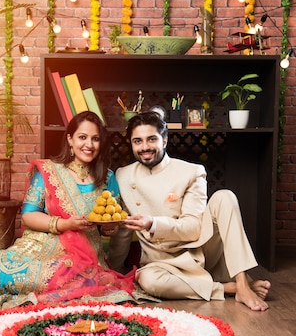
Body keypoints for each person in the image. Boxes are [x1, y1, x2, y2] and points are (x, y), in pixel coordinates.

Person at [0, 111, 154, 312]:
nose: (88, 145)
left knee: (83, 282)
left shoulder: (107, 178)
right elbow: (28, 216)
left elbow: (108, 224)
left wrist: (112, 227)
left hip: (84, 256)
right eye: (82, 137)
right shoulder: (49, 172)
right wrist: (64, 224)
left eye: (95, 139)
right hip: (39, 244)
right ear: (70, 139)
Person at [107, 111, 271, 311]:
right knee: (148, 282)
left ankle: (243, 285)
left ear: (165, 140)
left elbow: (194, 227)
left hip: (198, 251)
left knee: (225, 196)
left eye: (151, 139)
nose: (145, 147)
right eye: (137, 141)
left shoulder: (191, 171)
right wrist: (112, 272)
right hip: (160, 263)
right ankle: (228, 288)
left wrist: (153, 223)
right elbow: (124, 229)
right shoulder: (123, 176)